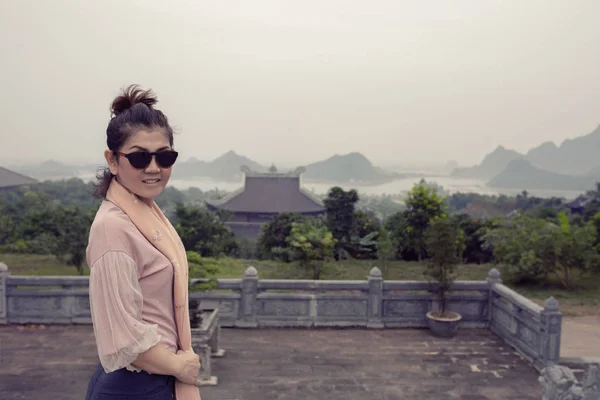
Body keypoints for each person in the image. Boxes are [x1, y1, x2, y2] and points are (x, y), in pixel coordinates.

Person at [85, 84, 201, 400]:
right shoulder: (113, 227)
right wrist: (181, 367)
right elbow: (125, 338)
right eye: (139, 158)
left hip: (154, 379)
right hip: (134, 386)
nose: (153, 168)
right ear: (112, 160)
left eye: (165, 157)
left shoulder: (142, 211)